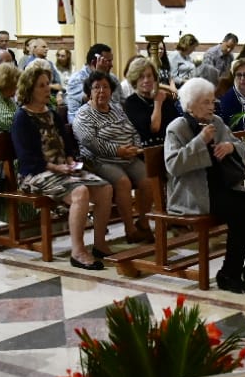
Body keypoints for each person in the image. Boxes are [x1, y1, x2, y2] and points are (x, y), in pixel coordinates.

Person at [12, 61, 114, 271]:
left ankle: (100, 244)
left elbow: (67, 144)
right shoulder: (22, 118)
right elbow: (28, 159)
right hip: (35, 173)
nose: (47, 88)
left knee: (105, 188)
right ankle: (78, 251)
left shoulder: (51, 113)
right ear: (29, 88)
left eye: (47, 84)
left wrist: (69, 161)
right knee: (80, 192)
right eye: (41, 85)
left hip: (61, 169)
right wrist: (58, 168)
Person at [165, 77, 245, 294]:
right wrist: (199, 141)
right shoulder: (177, 128)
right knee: (241, 211)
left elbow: (239, 146)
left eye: (212, 101)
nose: (212, 106)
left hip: (221, 187)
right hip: (193, 194)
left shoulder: (216, 122)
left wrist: (229, 146)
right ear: (190, 105)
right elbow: (173, 165)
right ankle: (229, 274)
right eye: (206, 102)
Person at [73, 70, 155, 244]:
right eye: (96, 88)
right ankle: (130, 229)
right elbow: (90, 142)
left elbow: (132, 130)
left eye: (105, 87)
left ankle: (143, 222)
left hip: (128, 156)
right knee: (123, 182)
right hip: (99, 161)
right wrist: (118, 151)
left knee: (149, 179)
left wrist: (136, 148)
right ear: (89, 92)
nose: (101, 91)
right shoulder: (83, 114)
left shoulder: (116, 109)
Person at [125, 54, 184, 147]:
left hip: (171, 146)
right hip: (148, 150)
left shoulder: (164, 98)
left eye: (149, 76)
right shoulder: (131, 103)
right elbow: (154, 128)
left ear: (154, 78)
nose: (146, 80)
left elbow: (177, 124)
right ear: (134, 80)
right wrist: (158, 103)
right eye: (141, 77)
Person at [64, 42, 114, 110]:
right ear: (94, 63)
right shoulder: (77, 79)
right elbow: (93, 99)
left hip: (112, 117)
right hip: (84, 118)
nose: (111, 65)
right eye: (108, 61)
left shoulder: (112, 78)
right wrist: (99, 74)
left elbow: (121, 101)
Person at [217, 57, 245, 129]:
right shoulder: (228, 99)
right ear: (234, 77)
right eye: (239, 75)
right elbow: (230, 128)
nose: (242, 78)